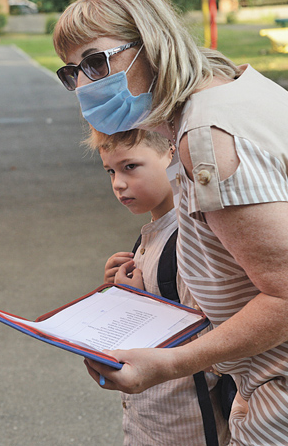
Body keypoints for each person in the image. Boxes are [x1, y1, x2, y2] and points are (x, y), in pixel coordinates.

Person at [53, 0, 288, 443]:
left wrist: (170, 364)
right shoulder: (237, 87)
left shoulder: (207, 136)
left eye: (96, 62)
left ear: (151, 43)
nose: (84, 84)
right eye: (72, 71)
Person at [90, 128, 229, 446]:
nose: (118, 184)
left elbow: (217, 343)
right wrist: (119, 293)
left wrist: (138, 303)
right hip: (146, 416)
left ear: (171, 152)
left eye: (130, 167)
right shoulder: (152, 235)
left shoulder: (191, 242)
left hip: (186, 422)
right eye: (111, 171)